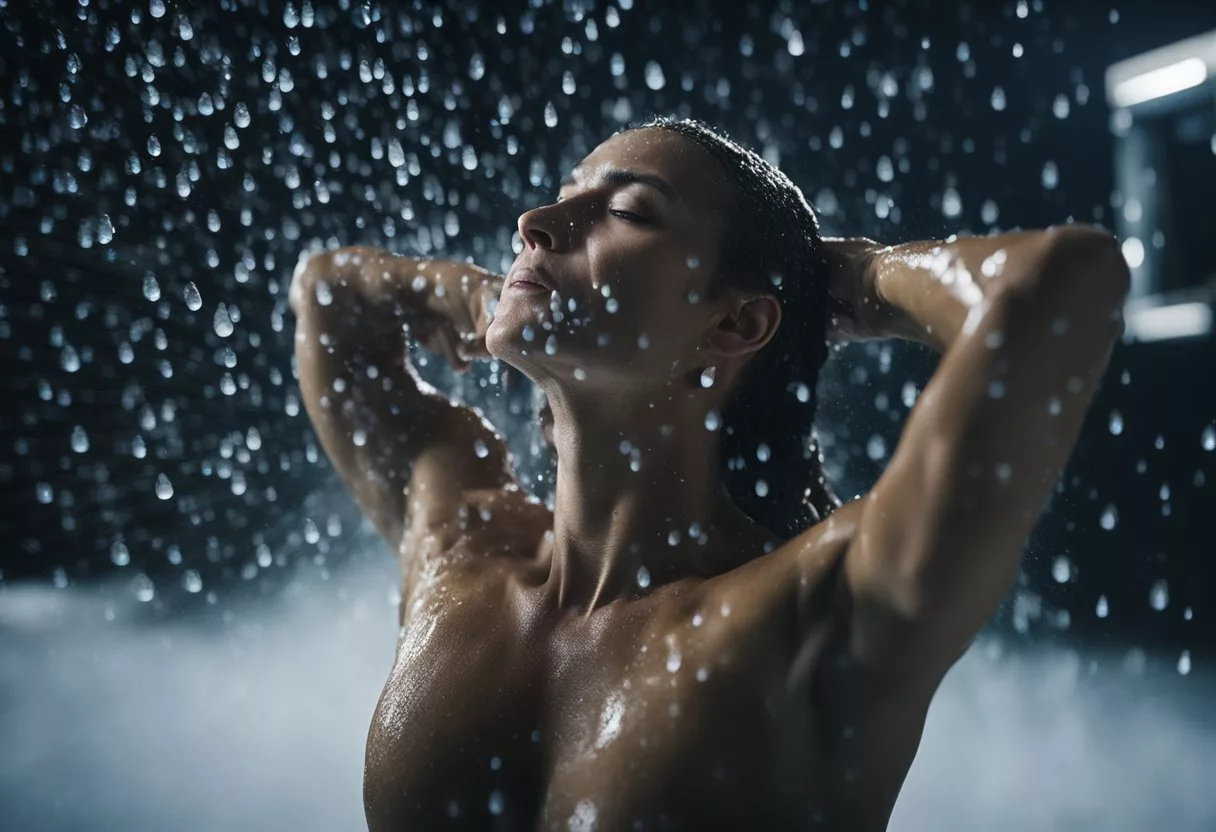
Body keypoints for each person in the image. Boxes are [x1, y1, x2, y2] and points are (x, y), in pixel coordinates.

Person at [290, 117, 1129, 831]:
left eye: (625, 210)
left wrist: (850, 281)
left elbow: (1060, 283)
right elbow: (327, 297)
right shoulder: (459, 561)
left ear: (734, 322)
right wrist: (475, 298)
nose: (536, 220)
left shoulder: (810, 617)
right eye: (563, 194)